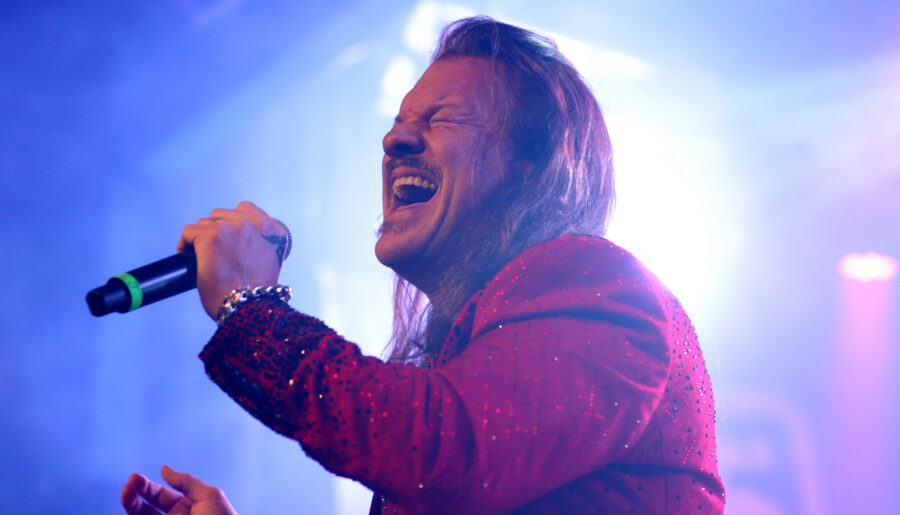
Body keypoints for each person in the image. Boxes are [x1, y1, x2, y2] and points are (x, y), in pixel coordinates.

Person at [123, 17, 725, 514]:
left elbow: (445, 452)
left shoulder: (604, 287)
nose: (395, 142)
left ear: (532, 163)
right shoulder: (462, 356)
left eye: (441, 118)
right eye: (397, 124)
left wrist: (250, 309)